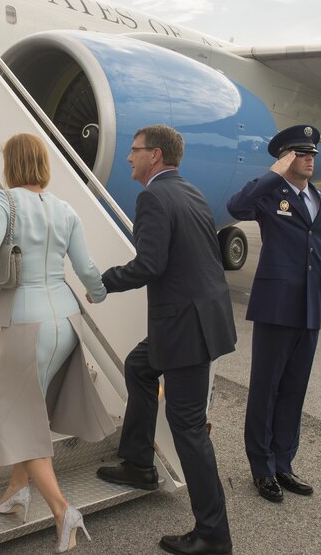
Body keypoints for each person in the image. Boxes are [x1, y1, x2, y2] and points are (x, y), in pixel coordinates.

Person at [94, 124, 237, 555]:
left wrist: (102, 282)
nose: (128, 158)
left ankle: (213, 534)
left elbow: (149, 265)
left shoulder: (153, 196)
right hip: (197, 320)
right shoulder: (189, 191)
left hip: (185, 329)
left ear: (154, 155)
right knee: (139, 366)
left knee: (188, 427)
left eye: (134, 151)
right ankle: (138, 463)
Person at [0, 132, 112, 553]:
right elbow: (86, 267)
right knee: (28, 412)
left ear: (12, 164)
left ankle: (62, 509)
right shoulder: (65, 209)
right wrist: (101, 294)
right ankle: (16, 490)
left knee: (17, 414)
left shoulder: (4, 201)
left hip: (27, 319)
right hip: (66, 319)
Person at [226, 124, 321, 503]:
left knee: (294, 389)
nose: (310, 159)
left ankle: (284, 463)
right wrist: (272, 174)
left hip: (308, 309)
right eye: (301, 153)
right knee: (266, 389)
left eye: (312, 154)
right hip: (275, 307)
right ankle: (261, 467)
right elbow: (236, 207)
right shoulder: (270, 195)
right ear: (286, 157)